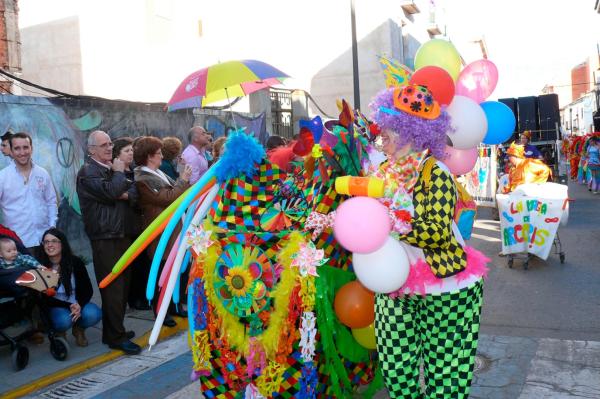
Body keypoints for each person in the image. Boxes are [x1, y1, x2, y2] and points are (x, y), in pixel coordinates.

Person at [369, 85, 489, 398]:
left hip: (444, 284)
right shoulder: (381, 172)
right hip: (392, 284)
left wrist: (390, 224)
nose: (382, 139)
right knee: (396, 372)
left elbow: (435, 231)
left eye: (389, 132)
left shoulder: (435, 172)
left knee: (446, 375)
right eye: (382, 132)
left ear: (412, 133)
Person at [76, 130, 141, 355]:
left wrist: (120, 185)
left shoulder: (115, 169)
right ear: (91, 150)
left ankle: (115, 330)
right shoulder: (88, 172)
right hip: (105, 237)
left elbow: (134, 192)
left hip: (122, 234)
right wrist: (118, 179)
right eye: (103, 145)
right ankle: (115, 337)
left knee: (123, 287)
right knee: (113, 289)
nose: (109, 147)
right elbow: (114, 191)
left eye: (110, 143)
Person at [133, 136, 192, 327]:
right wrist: (182, 180)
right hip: (161, 233)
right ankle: (160, 311)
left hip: (171, 229)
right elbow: (168, 198)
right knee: (162, 273)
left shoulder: (156, 173)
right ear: (150, 157)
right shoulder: (144, 179)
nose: (161, 157)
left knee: (174, 270)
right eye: (158, 154)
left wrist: (182, 178)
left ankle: (173, 306)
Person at [36, 228, 101, 347]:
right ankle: (60, 333)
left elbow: (88, 289)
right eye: (46, 242)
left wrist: (79, 304)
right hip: (56, 306)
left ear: (62, 244)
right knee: (64, 320)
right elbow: (44, 299)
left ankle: (79, 329)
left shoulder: (75, 262)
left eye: (54, 241)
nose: (49, 245)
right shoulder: (40, 267)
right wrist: (69, 306)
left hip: (76, 303)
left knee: (94, 313)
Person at [0, 132, 58, 255]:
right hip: (17, 246)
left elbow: (51, 202)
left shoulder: (42, 173)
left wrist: (52, 227)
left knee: (45, 274)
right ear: (11, 150)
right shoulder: (3, 177)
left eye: (25, 147)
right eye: (17, 148)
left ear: (31, 148)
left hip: (44, 242)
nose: (22, 152)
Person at [112, 137, 151, 311]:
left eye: (131, 150)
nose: (131, 153)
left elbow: (137, 195)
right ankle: (133, 299)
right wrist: (130, 194)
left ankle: (142, 297)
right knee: (131, 266)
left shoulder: (136, 171)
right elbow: (115, 193)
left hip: (139, 223)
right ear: (117, 155)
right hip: (124, 226)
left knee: (142, 264)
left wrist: (129, 195)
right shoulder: (115, 173)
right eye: (126, 151)